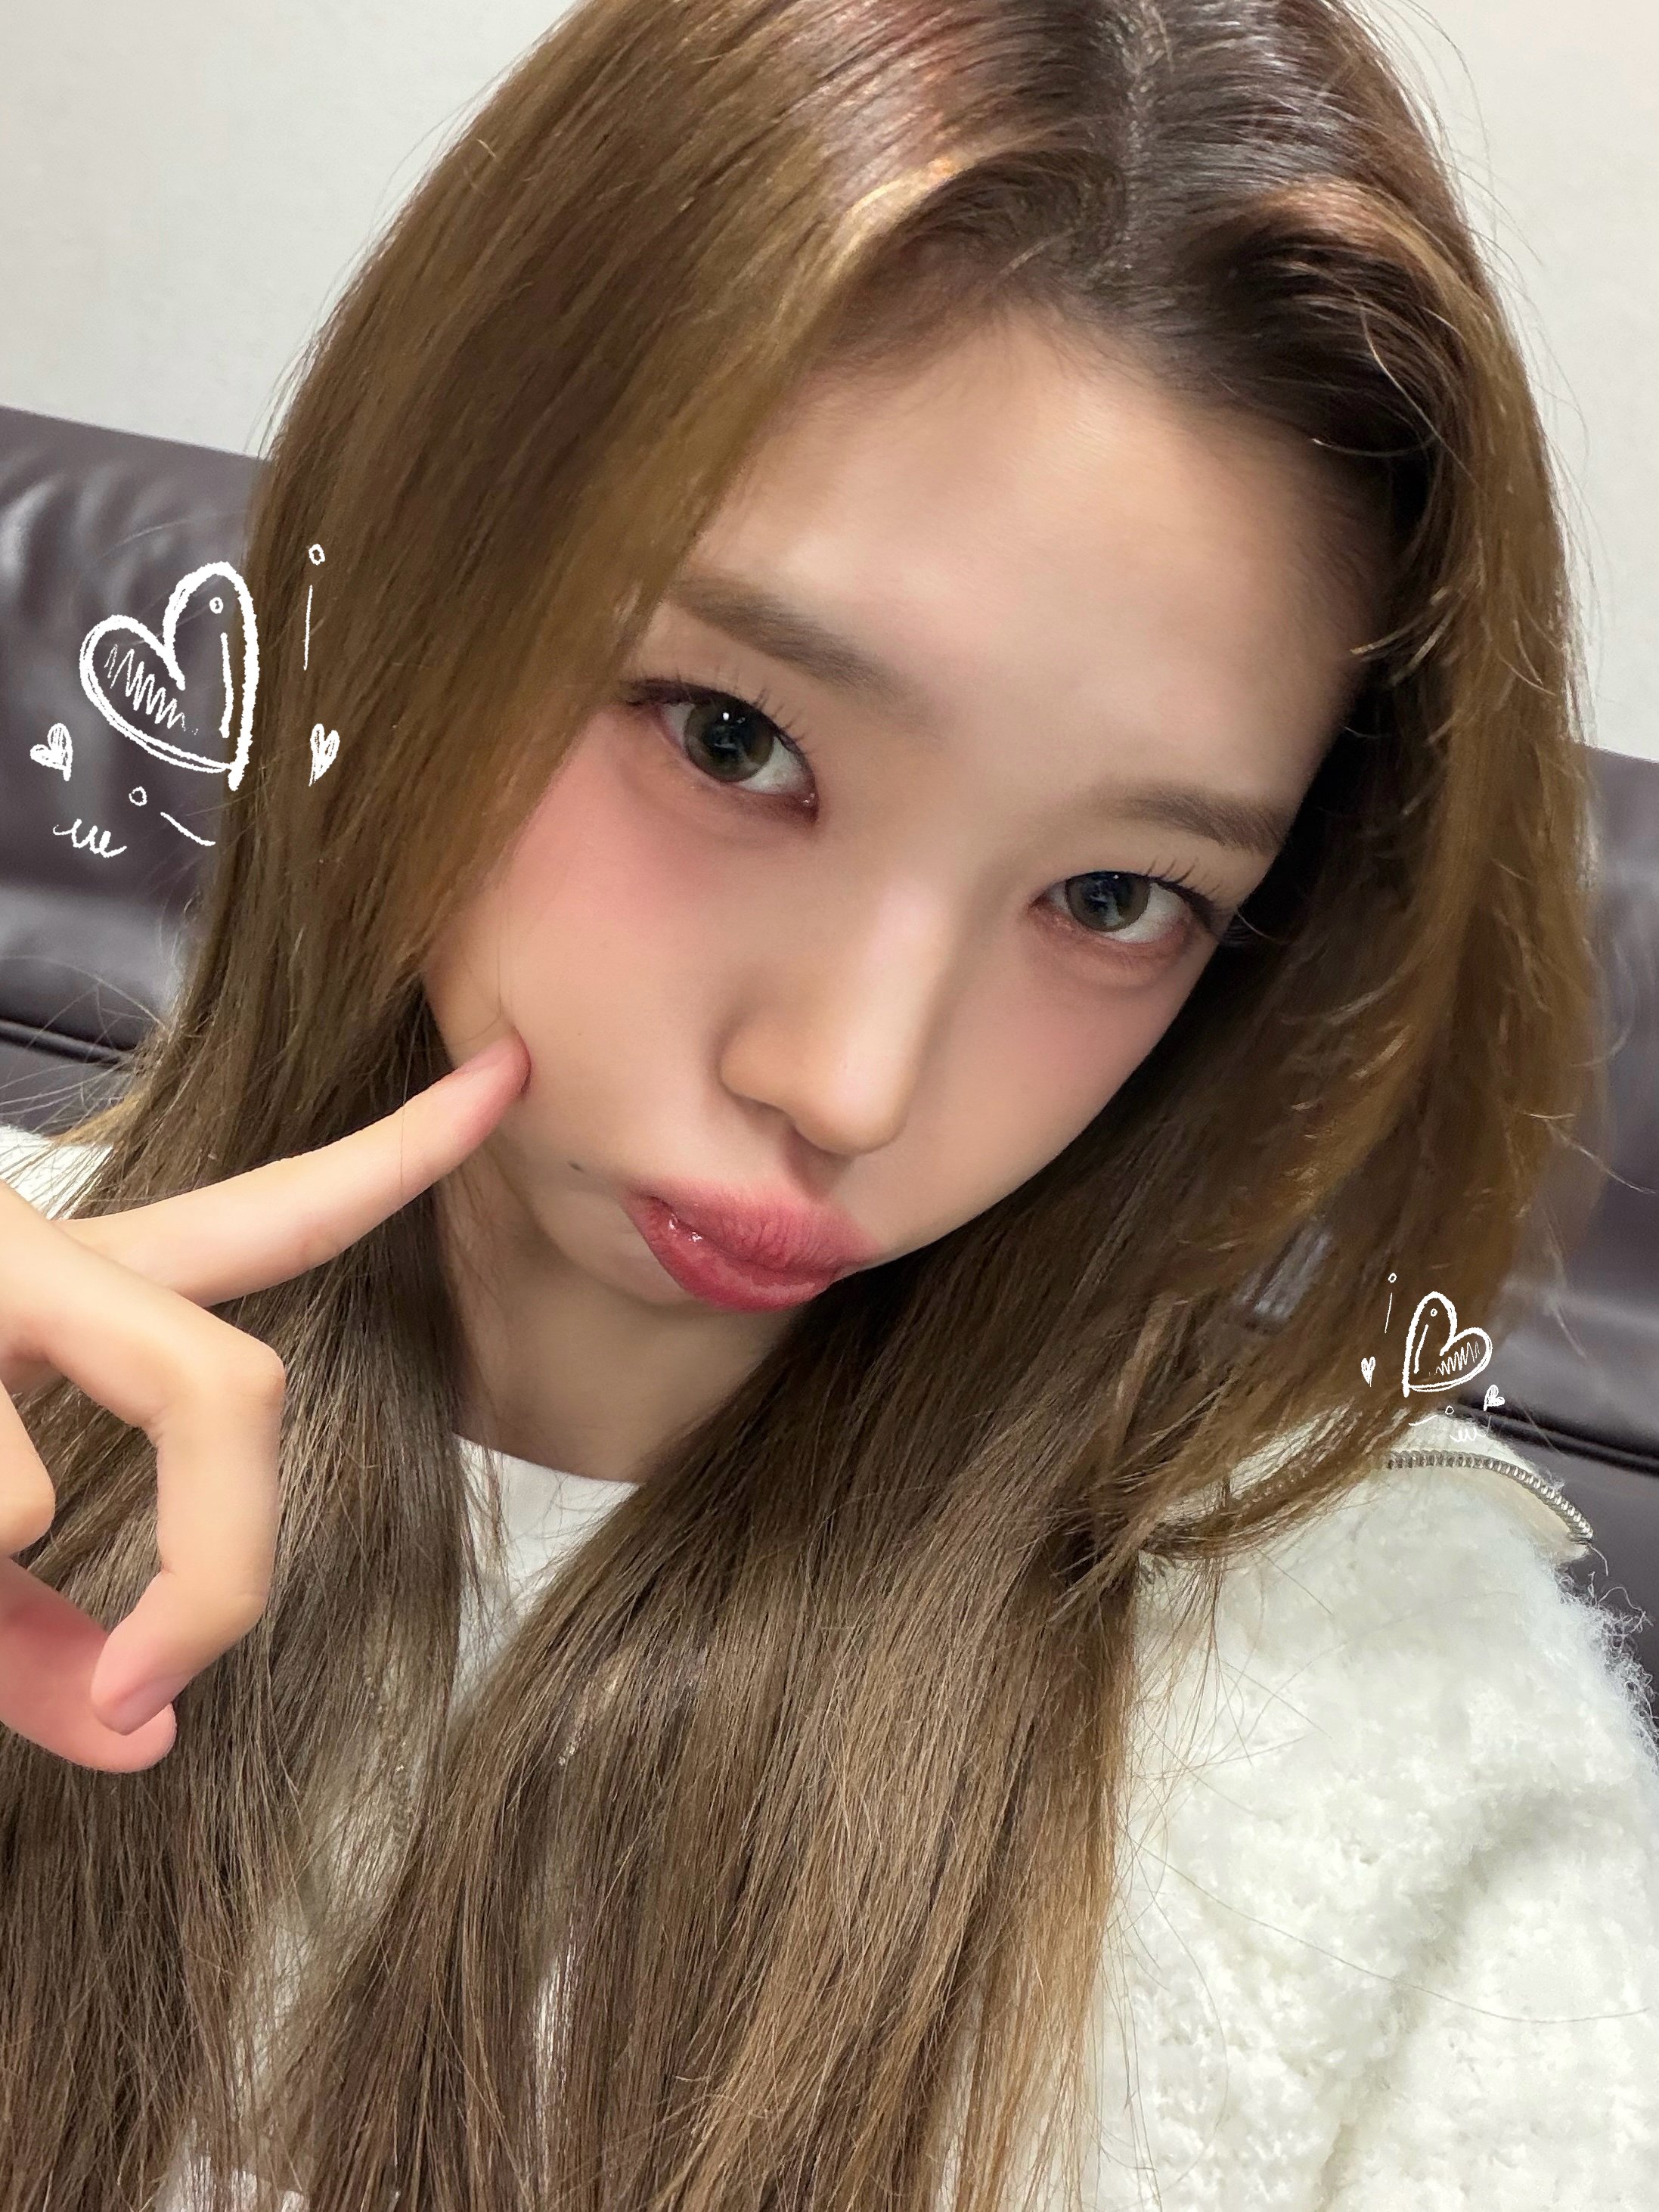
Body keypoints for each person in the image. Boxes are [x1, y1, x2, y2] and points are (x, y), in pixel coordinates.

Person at [2, 0, 1656, 2203]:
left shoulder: (1383, 1723)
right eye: (732, 741)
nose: (850, 1084)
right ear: (412, 576)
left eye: (1114, 896)